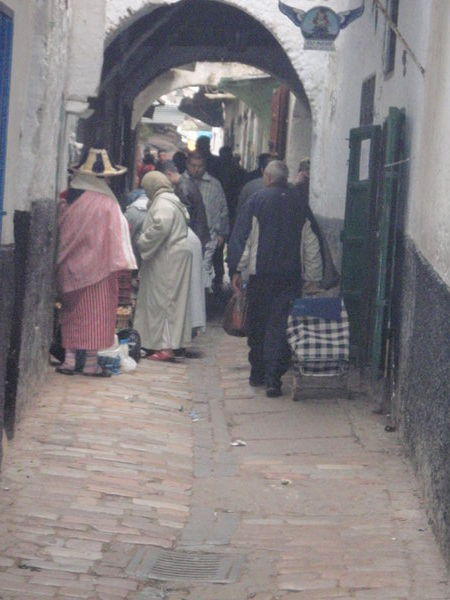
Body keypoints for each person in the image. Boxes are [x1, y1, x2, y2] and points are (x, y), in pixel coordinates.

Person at [228, 160, 323, 397]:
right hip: (290, 277)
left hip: (260, 277)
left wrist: (237, 270)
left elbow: (243, 239)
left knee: (257, 323)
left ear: (266, 177)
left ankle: (257, 371)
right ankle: (274, 378)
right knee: (280, 326)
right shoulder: (299, 204)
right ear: (286, 178)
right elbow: (311, 243)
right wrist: (313, 275)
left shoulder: (256, 201)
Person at [56, 147, 137, 376]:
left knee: (71, 314)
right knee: (96, 315)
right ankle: (91, 364)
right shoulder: (107, 204)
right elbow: (118, 236)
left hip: (69, 268)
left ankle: (70, 361)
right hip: (99, 269)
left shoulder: (68, 201)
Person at [133, 171, 192, 362]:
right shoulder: (170, 199)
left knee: (165, 302)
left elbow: (161, 227)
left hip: (167, 259)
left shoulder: (163, 203)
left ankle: (166, 346)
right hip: (171, 256)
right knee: (168, 301)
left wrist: (142, 241)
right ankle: (160, 343)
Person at [184, 151, 229, 290]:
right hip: (183, 237)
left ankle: (201, 307)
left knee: (203, 275)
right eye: (193, 165)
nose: (196, 169)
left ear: (205, 166)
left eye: (200, 166)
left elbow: (223, 210)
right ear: (187, 165)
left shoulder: (214, 185)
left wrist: (222, 233)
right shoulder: (180, 183)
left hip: (208, 238)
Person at [157, 160, 210, 250]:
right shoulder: (186, 183)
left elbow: (184, 217)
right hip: (198, 234)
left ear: (169, 174)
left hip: (193, 236)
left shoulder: (183, 189)